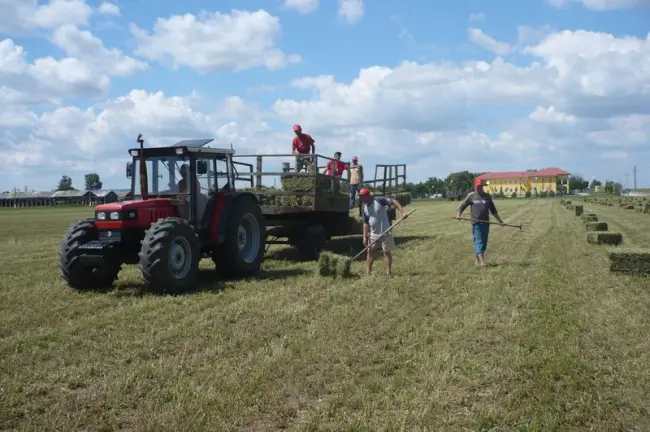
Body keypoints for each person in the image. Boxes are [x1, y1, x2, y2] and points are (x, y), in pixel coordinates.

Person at [359, 188, 408, 277]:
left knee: (387, 252)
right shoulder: (364, 207)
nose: (362, 199)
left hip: (385, 232)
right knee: (370, 252)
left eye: (363, 197)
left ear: (368, 196)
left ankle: (388, 273)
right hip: (373, 234)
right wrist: (365, 236)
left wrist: (403, 211)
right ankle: (368, 273)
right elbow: (365, 223)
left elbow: (394, 201)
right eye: (361, 197)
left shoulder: (378, 200)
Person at [455, 178, 504, 266]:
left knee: (484, 243)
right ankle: (482, 262)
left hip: (486, 223)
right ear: (475, 187)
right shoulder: (471, 196)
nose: (479, 188)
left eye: (480, 186)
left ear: (482, 186)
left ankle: (478, 261)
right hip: (476, 223)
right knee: (479, 241)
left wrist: (500, 220)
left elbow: (493, 210)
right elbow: (462, 206)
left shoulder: (487, 196)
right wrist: (458, 214)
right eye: (477, 187)